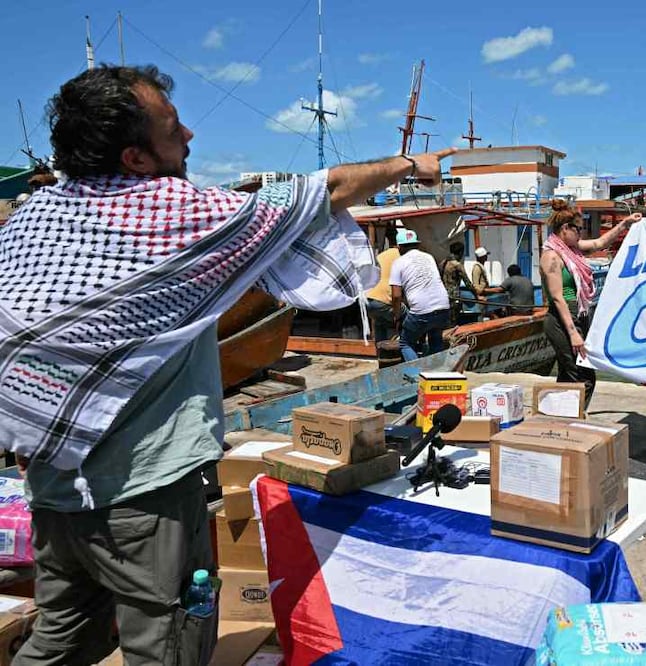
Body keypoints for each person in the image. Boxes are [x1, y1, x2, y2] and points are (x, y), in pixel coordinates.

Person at [0, 64, 454, 666]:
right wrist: (408, 166)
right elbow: (326, 190)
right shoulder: (168, 213)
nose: (189, 135)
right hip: (145, 496)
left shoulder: (35, 217)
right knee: (169, 641)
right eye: (172, 127)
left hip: (53, 483)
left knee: (63, 635)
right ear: (136, 158)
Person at [541, 199, 641, 408]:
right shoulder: (552, 256)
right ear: (565, 229)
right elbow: (558, 298)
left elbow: (599, 244)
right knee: (582, 376)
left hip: (579, 314)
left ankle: (557, 416)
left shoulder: (572, 250)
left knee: (568, 373)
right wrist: (573, 333)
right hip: (563, 318)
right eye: (578, 229)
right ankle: (570, 418)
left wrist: (625, 224)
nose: (581, 234)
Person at [390, 228, 451, 361]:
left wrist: (397, 316)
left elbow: (396, 296)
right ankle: (437, 373)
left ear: (399, 247)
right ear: (417, 244)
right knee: (435, 340)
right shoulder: (429, 257)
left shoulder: (398, 263)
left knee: (405, 343)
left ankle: (416, 375)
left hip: (421, 311)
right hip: (443, 307)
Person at [366, 230, 400, 343]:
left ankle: (381, 354)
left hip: (368, 298)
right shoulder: (401, 256)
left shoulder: (380, 256)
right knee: (408, 320)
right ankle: (406, 351)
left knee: (379, 323)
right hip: (384, 299)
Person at [440, 241, 476, 326]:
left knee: (444, 321)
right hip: (453, 297)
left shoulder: (442, 263)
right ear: (460, 252)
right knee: (453, 322)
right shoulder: (457, 265)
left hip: (442, 296)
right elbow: (467, 283)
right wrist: (476, 295)